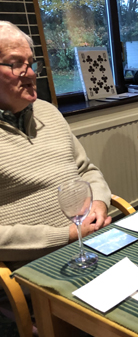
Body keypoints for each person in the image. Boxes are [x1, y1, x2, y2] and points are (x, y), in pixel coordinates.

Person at [0, 21, 112, 270]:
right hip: (34, 269)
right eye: (16, 64)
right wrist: (67, 235)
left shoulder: (48, 112)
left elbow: (87, 170)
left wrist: (99, 203)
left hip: (93, 244)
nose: (30, 74)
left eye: (31, 64)